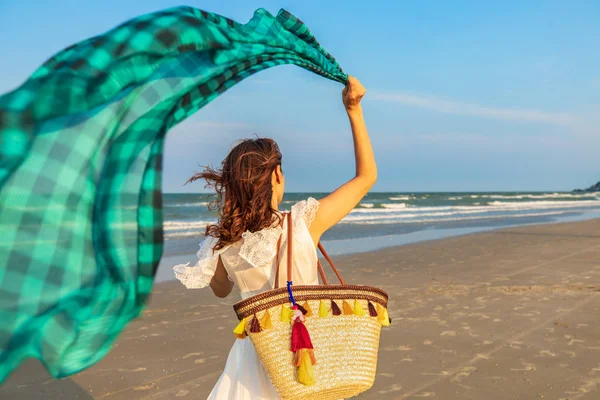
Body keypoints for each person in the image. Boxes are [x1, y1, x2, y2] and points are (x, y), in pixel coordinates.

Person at [173, 76, 375, 399]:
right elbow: (367, 177)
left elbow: (221, 290)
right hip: (300, 359)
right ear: (276, 176)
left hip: (251, 365)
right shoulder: (303, 223)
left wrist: (225, 239)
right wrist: (354, 109)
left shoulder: (225, 245)